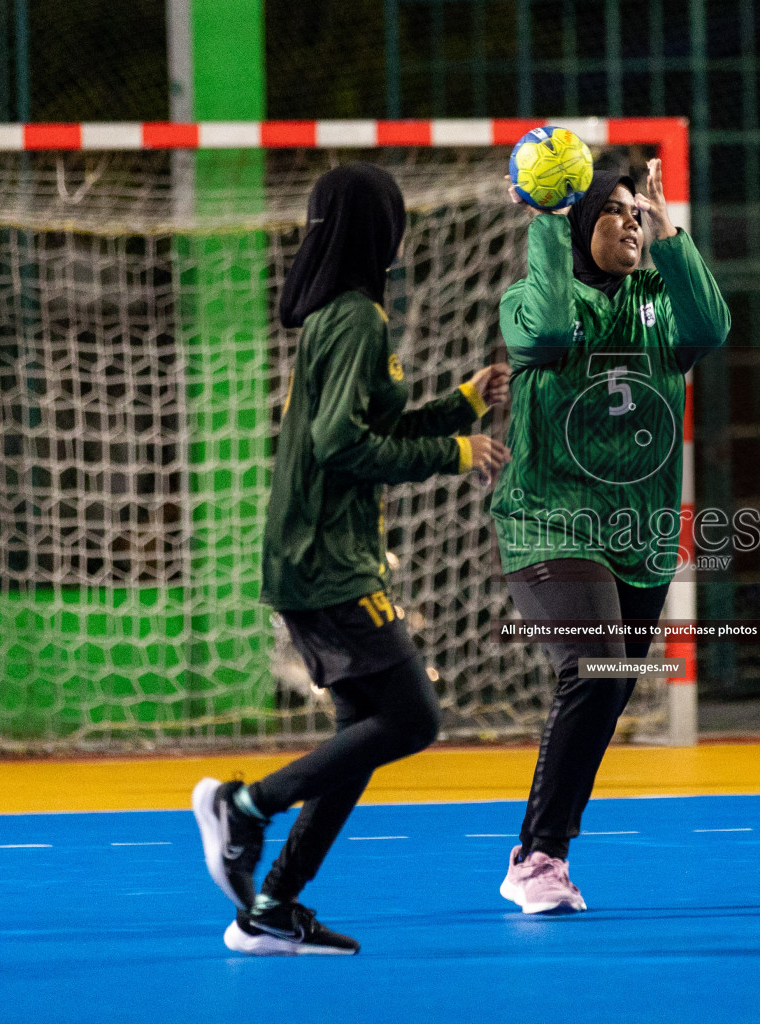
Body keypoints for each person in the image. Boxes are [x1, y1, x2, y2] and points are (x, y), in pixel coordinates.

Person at [191, 163, 511, 955]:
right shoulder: (357, 319)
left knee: (362, 734)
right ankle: (246, 806)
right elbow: (341, 446)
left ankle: (271, 907)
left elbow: (368, 427)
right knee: (411, 718)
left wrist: (461, 404)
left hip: (316, 555)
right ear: (380, 229)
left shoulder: (341, 316)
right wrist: (453, 450)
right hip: (328, 560)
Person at [493, 159, 729, 913]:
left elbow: (712, 327)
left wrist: (670, 234)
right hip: (551, 519)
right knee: (594, 668)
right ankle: (539, 858)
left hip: (641, 531)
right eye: (613, 213)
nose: (630, 221)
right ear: (574, 227)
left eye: (636, 212)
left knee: (614, 685)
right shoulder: (528, 302)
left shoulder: (659, 299)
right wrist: (544, 218)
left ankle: (542, 844)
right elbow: (556, 326)